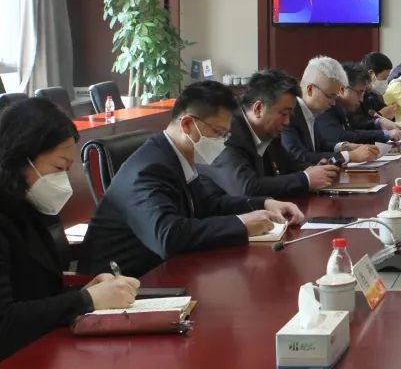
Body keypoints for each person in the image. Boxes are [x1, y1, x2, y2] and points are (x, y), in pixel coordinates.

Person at [79, 82, 305, 277]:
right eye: (218, 133)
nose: (223, 142)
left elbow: (208, 204)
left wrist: (264, 203)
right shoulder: (149, 169)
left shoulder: (176, 155)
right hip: (120, 286)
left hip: (161, 273)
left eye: (226, 134)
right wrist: (241, 224)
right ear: (187, 124)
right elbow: (168, 236)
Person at [0, 99, 140, 359]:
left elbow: (38, 294)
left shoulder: (27, 204)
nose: (63, 180)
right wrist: (86, 300)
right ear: (19, 158)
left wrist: (86, 291)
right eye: (57, 168)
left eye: (66, 170)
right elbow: (4, 323)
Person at [200, 70, 341, 198]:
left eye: (290, 115)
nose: (287, 122)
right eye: (283, 114)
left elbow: (287, 164)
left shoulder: (268, 130)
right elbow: (246, 188)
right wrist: (306, 178)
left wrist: (314, 170)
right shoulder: (226, 132)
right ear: (258, 108)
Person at [280, 56, 379, 166]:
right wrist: (349, 156)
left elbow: (320, 146)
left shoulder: (311, 111)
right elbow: (300, 157)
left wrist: (344, 147)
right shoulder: (289, 114)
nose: (333, 103)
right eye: (330, 96)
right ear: (310, 89)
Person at [315, 62, 401, 150]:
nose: (361, 99)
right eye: (359, 92)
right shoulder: (326, 107)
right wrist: (385, 134)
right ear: (342, 89)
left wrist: (378, 123)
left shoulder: (343, 107)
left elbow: (355, 128)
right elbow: (341, 137)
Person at [360, 52, 397, 120]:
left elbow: (386, 114)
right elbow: (359, 123)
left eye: (387, 78)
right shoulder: (358, 95)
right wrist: (380, 115)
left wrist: (391, 113)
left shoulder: (374, 94)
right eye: (384, 78)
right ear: (371, 74)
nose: (385, 82)